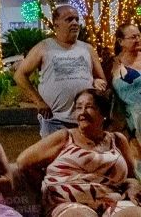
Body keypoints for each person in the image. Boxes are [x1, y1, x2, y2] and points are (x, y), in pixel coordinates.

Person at [18, 89, 141, 217]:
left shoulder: (118, 140)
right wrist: (48, 186)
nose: (82, 112)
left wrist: (132, 187)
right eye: (78, 108)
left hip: (112, 201)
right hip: (68, 204)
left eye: (89, 107)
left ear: (103, 113)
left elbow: (131, 176)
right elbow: (23, 162)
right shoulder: (64, 137)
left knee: (135, 214)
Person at [14, 5, 107, 136]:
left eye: (76, 19)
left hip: (85, 119)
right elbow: (19, 75)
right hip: (55, 120)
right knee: (56, 157)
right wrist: (39, 101)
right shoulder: (44, 47)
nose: (75, 23)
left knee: (84, 156)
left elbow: (101, 79)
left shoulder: (87, 48)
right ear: (56, 24)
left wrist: (98, 81)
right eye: (69, 19)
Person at [112, 24, 141, 154]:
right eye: (133, 37)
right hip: (128, 124)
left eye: (139, 36)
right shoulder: (112, 64)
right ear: (121, 42)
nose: (138, 40)